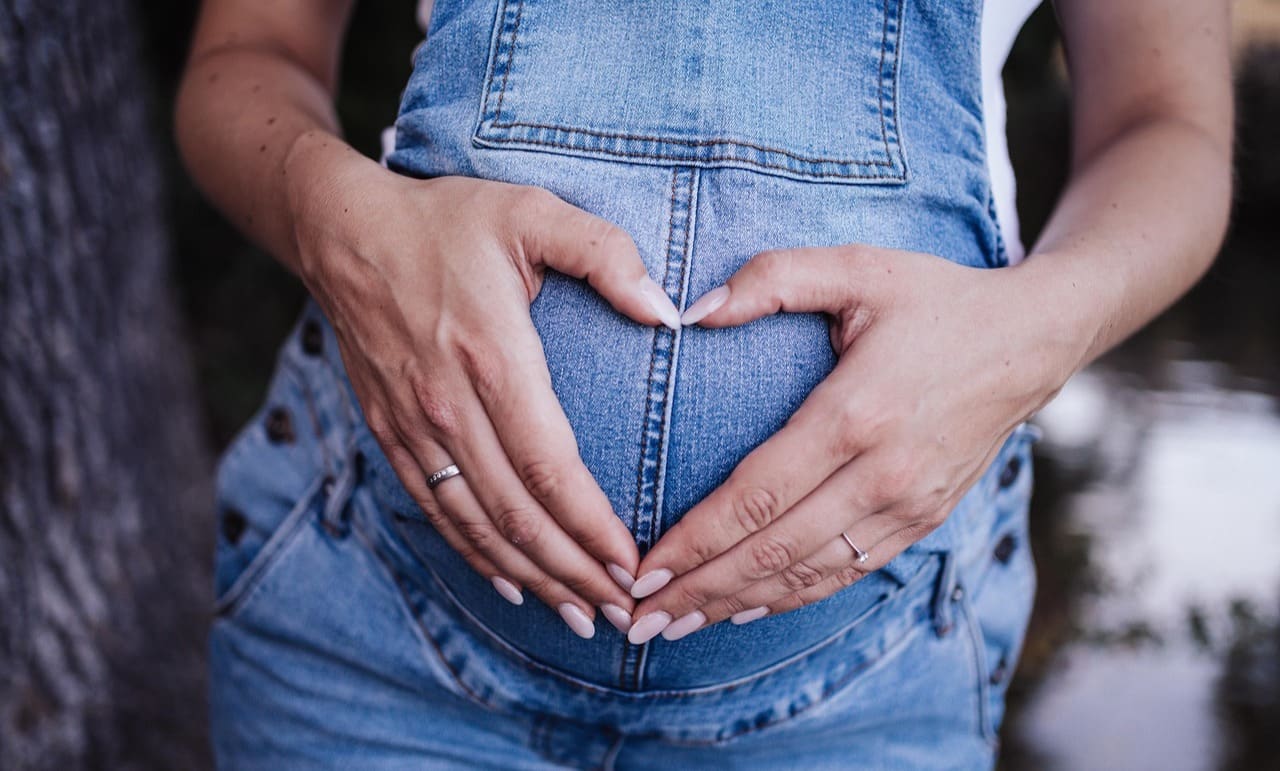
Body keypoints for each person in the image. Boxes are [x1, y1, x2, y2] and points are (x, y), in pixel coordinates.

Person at [175, 0, 1232, 767]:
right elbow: (247, 56)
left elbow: (1165, 125)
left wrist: (1032, 334)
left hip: (863, 689)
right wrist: (335, 221)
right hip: (374, 636)